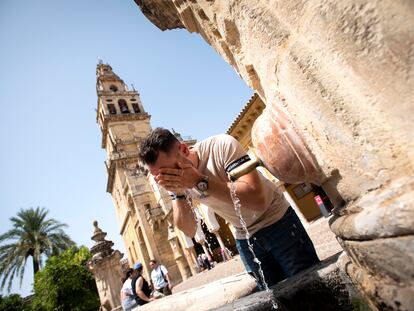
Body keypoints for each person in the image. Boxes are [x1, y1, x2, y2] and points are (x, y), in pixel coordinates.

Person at [138, 128, 320, 290]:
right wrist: (177, 194)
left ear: (184, 150)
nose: (168, 179)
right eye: (160, 177)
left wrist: (199, 181)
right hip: (244, 236)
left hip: (278, 222)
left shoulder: (221, 146)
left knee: (309, 289)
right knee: (270, 297)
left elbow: (257, 200)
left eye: (169, 172)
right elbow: (189, 229)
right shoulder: (178, 181)